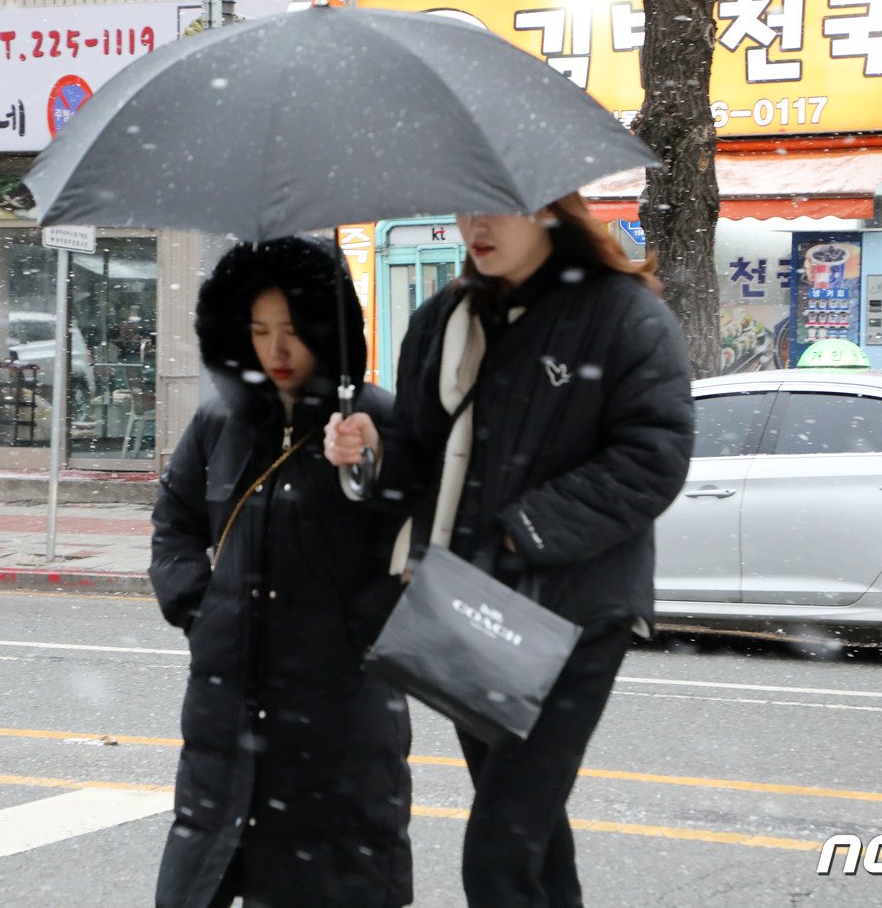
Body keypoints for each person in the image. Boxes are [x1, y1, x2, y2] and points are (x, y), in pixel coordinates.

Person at [324, 193, 695, 908]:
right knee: (532, 837)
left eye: (496, 209)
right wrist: (369, 448)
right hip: (467, 601)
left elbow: (655, 455)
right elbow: (418, 453)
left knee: (498, 849)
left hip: (574, 611)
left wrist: (519, 528)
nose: (475, 226)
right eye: (464, 210)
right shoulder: (445, 318)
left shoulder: (622, 315)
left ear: (550, 209)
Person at [150, 236, 412, 908]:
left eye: (294, 330)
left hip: (339, 714)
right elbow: (176, 519)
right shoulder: (220, 421)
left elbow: (421, 534)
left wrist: (369, 464)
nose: (277, 350)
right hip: (227, 702)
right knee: (202, 873)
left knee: (329, 882)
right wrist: (197, 606)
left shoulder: (379, 417)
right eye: (260, 330)